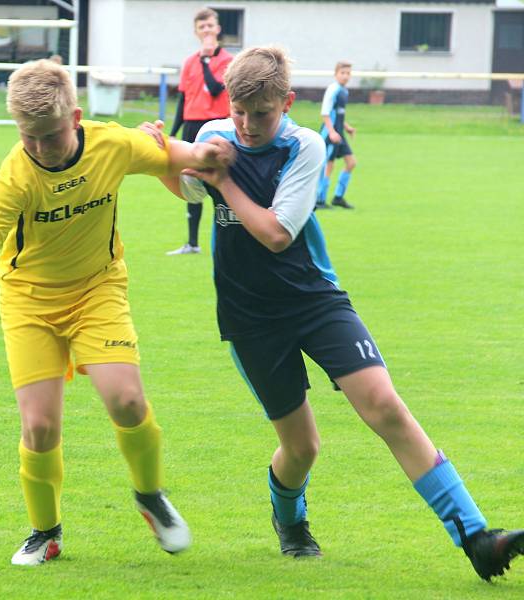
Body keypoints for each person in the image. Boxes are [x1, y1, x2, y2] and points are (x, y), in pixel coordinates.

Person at [149, 45, 524, 581]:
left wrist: (223, 180)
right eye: (238, 111)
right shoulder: (215, 135)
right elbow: (184, 185)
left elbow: (278, 234)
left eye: (262, 114)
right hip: (249, 317)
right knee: (301, 448)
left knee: (386, 407)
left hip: (313, 301)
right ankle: (290, 520)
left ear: (288, 103)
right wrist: (161, 153)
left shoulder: (303, 146)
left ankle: (477, 538)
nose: (248, 125)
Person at [0, 59, 233, 566]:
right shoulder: (16, 176)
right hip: (29, 301)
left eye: (50, 135)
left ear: (76, 117)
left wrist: (209, 150)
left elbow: (183, 156)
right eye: (29, 137)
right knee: (40, 428)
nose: (40, 148)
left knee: (127, 400)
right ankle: (45, 532)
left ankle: (151, 497)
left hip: (97, 289)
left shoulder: (112, 144)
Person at [166, 7, 233, 256]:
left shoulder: (226, 60)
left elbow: (216, 89)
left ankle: (227, 239)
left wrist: (206, 60)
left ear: (218, 29)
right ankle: (192, 243)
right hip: (192, 125)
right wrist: (174, 132)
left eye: (210, 26)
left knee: (218, 182)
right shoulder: (188, 62)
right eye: (201, 27)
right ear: (196, 31)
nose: (206, 30)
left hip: (215, 125)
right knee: (189, 177)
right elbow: (184, 101)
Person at [316, 61, 356, 209]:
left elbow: (339, 114)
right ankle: (320, 200)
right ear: (336, 74)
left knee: (351, 163)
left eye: (348, 73)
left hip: (339, 133)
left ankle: (338, 198)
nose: (346, 76)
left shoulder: (344, 91)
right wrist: (332, 132)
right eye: (342, 73)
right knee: (328, 165)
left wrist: (347, 127)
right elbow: (325, 114)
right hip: (330, 133)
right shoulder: (332, 90)